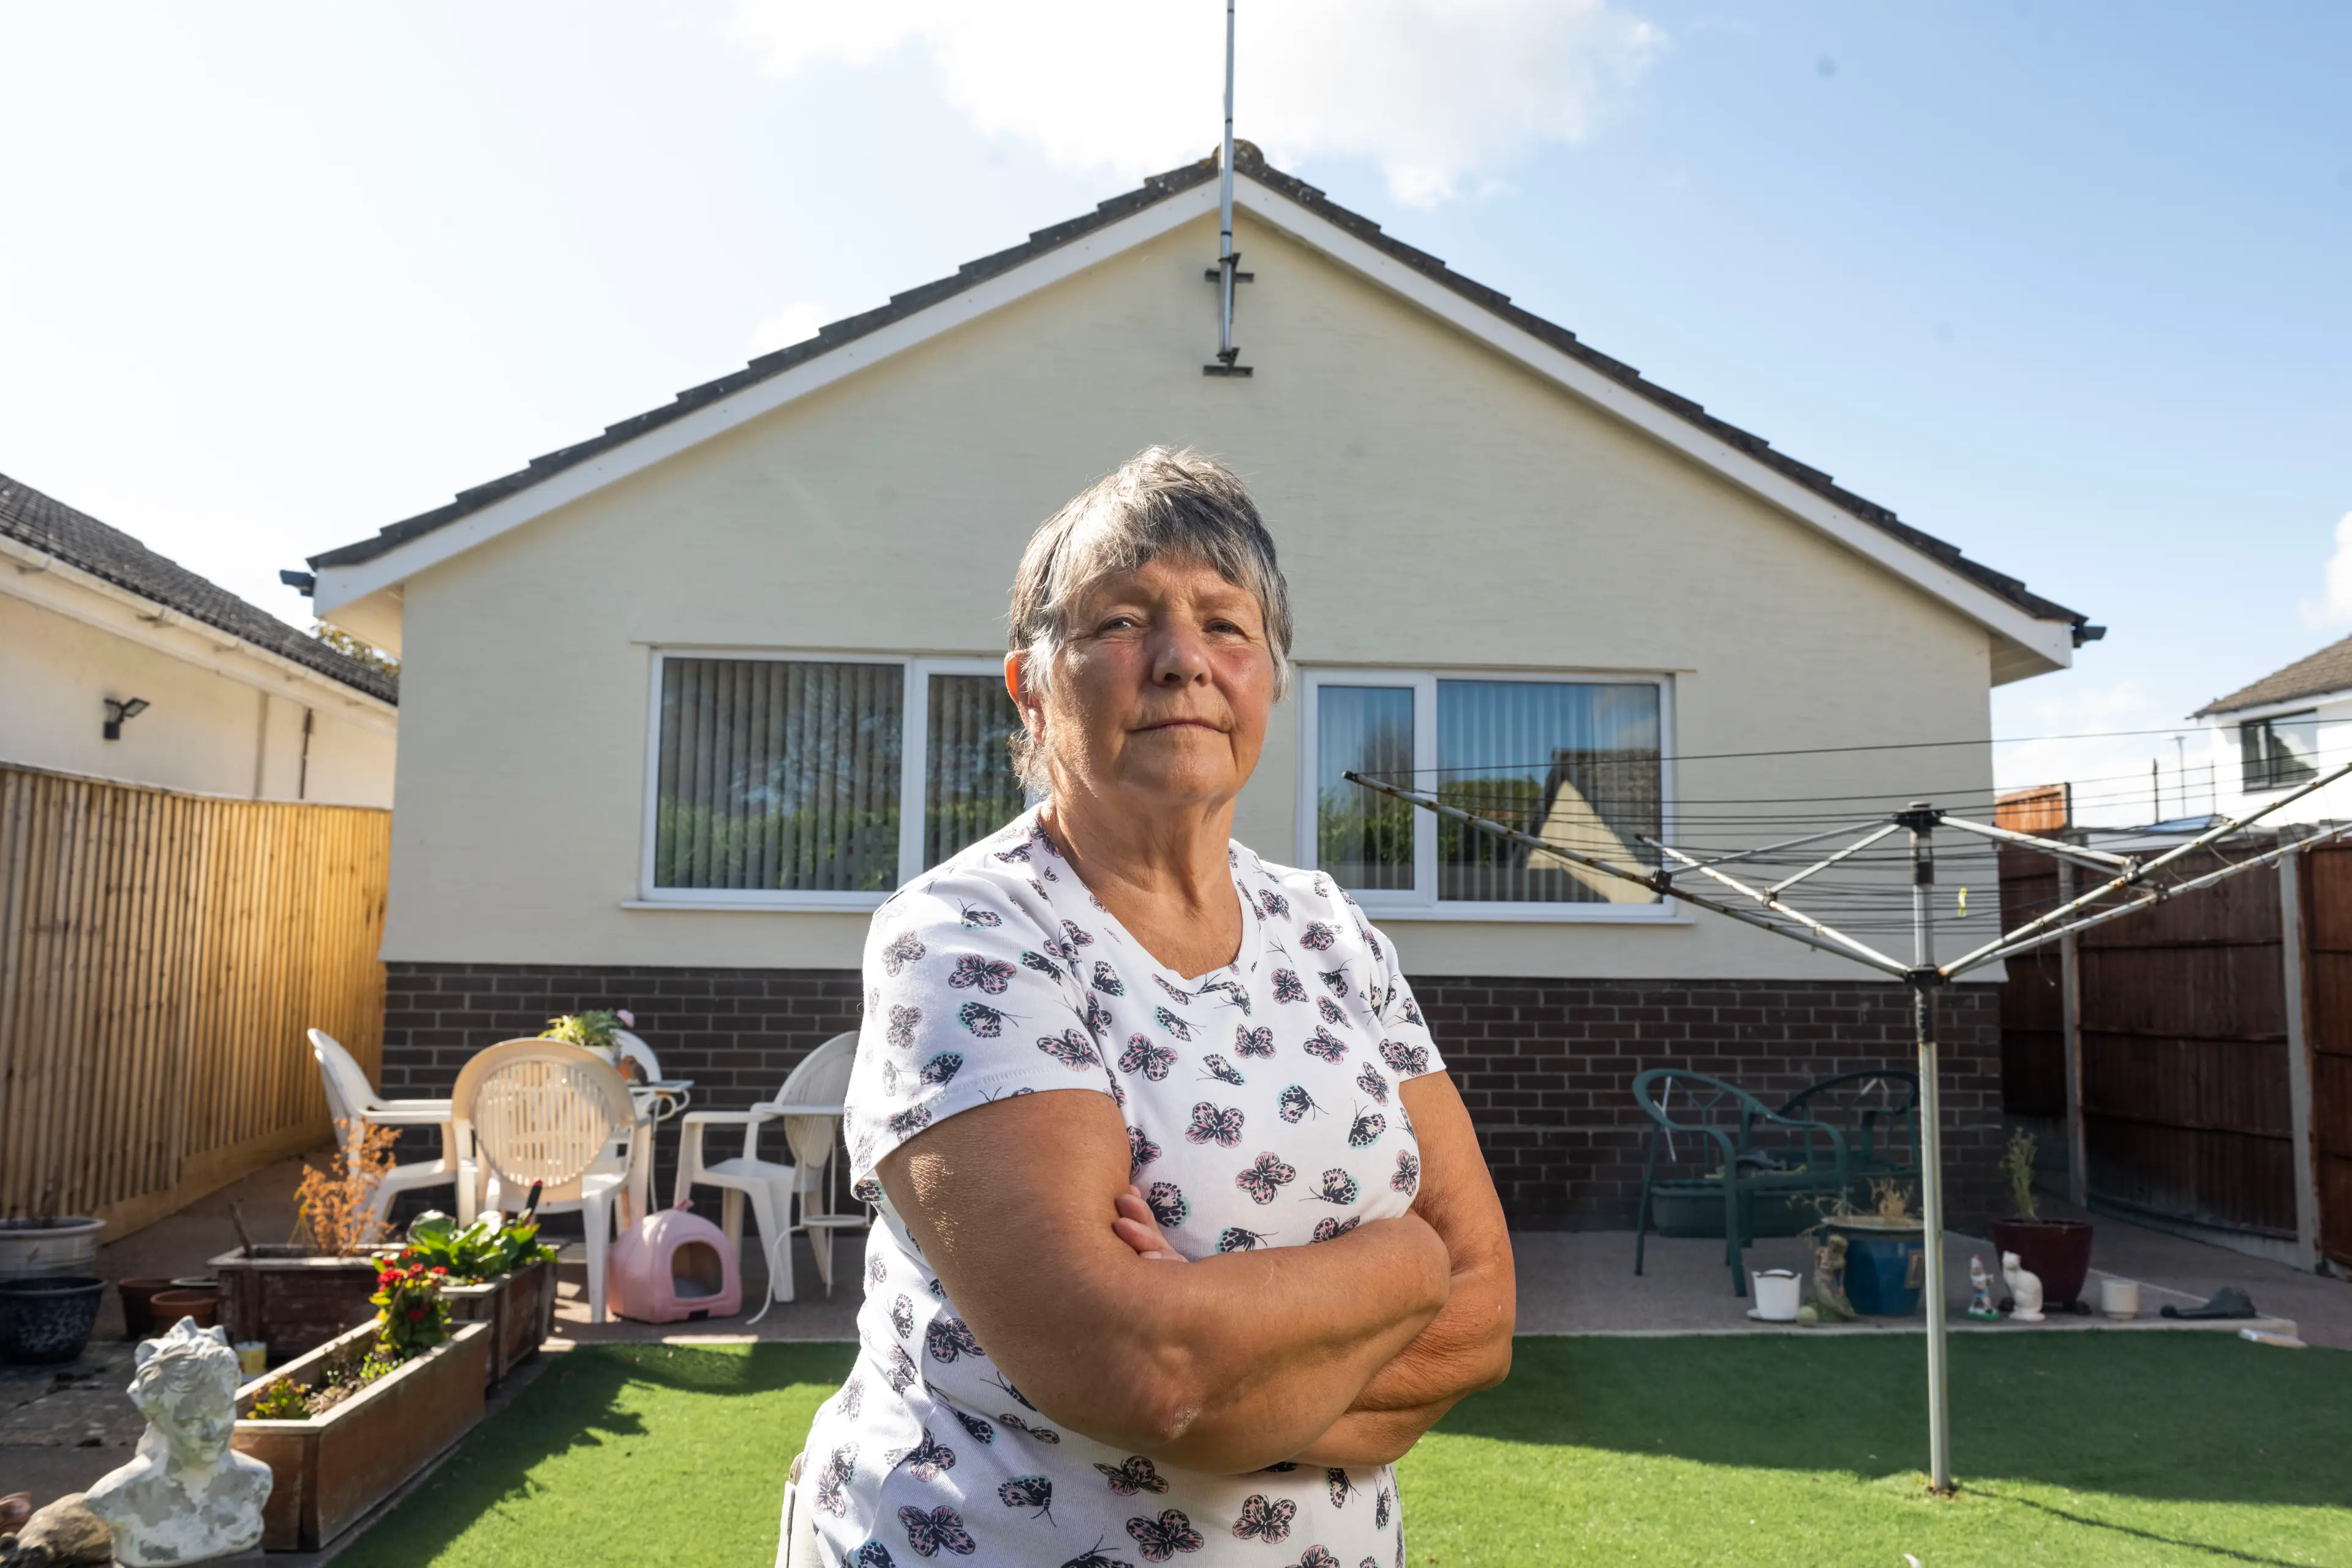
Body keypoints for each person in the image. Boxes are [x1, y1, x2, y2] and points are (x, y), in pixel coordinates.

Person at [791, 448, 1514, 1567]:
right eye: (1123, 622)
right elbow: (1139, 1369)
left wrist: (1221, 1379)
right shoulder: (968, 933)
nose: (1185, 662)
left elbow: (1480, 1325)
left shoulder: (1333, 931)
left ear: (1269, 677)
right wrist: (1404, 1269)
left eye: (1228, 627)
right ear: (1032, 685)